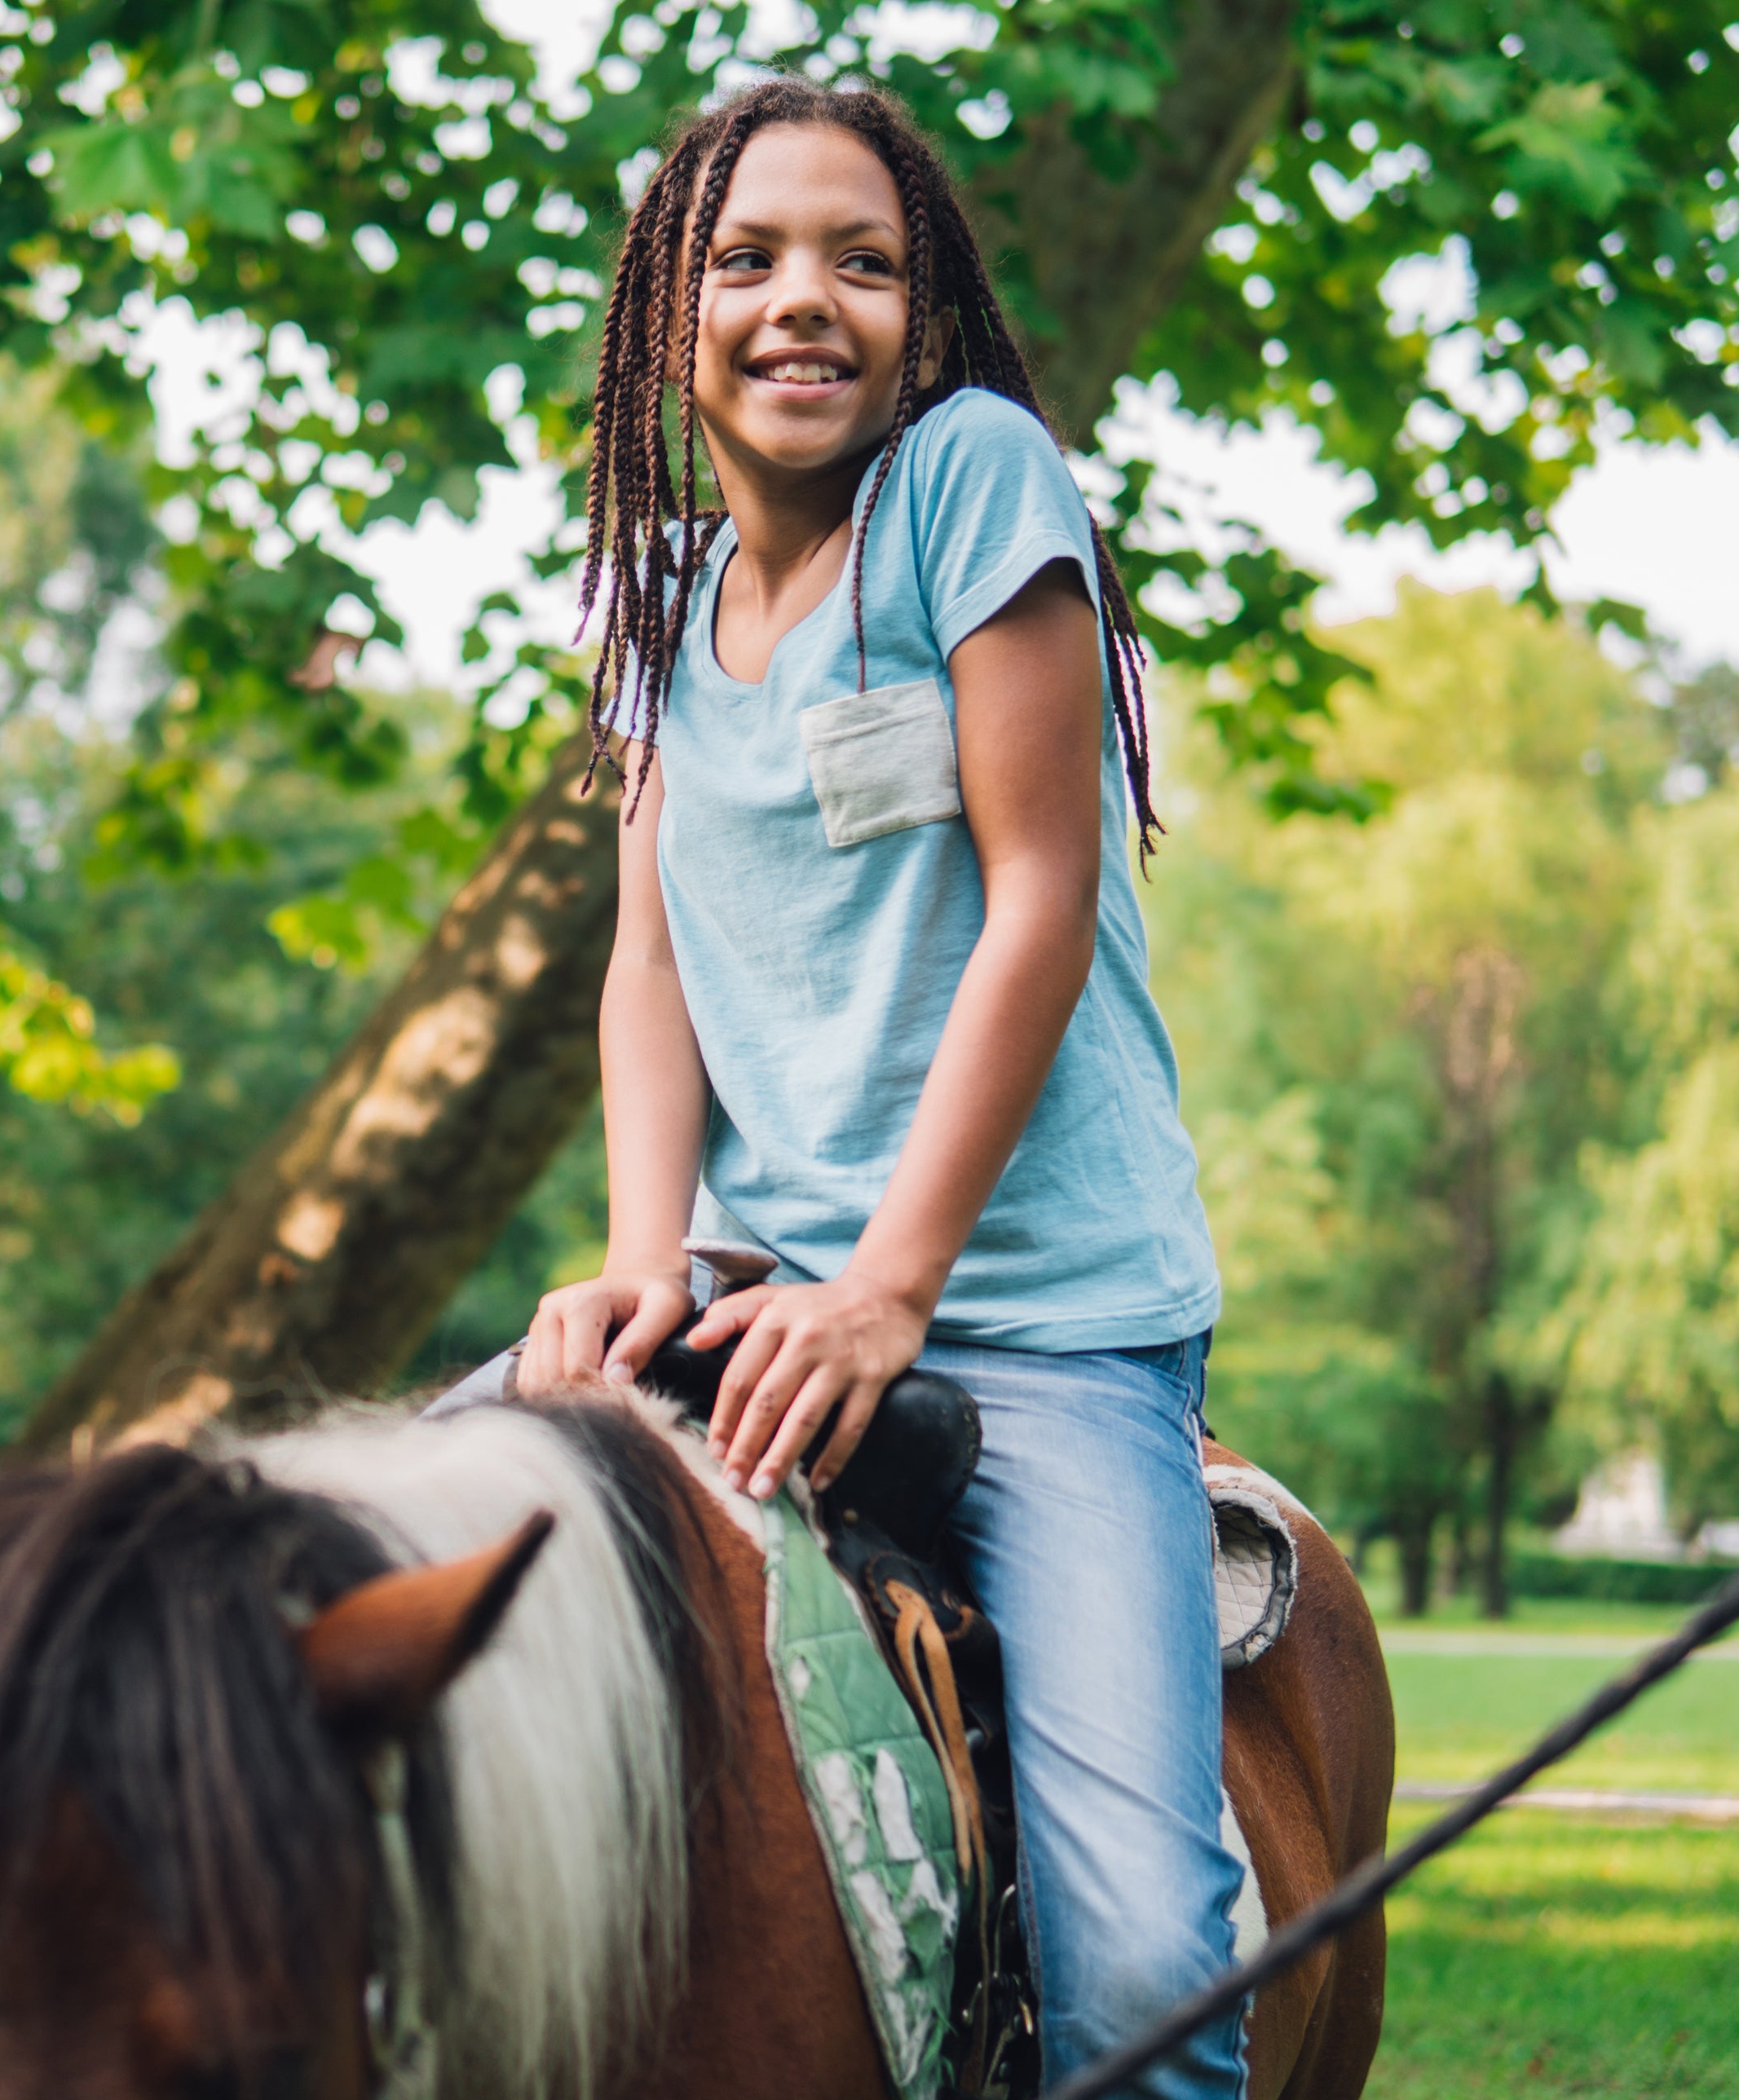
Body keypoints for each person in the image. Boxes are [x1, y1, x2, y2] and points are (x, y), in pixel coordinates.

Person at [510, 78, 1242, 2098]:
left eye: (864, 259)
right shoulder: (658, 594)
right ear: (673, 315)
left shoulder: (977, 485)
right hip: (755, 1291)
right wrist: (639, 1263)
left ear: (925, 316)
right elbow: (651, 961)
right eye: (744, 258)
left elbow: (1041, 908)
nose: (801, 301)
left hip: (1041, 1327)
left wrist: (891, 1291)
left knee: (1145, 1976)